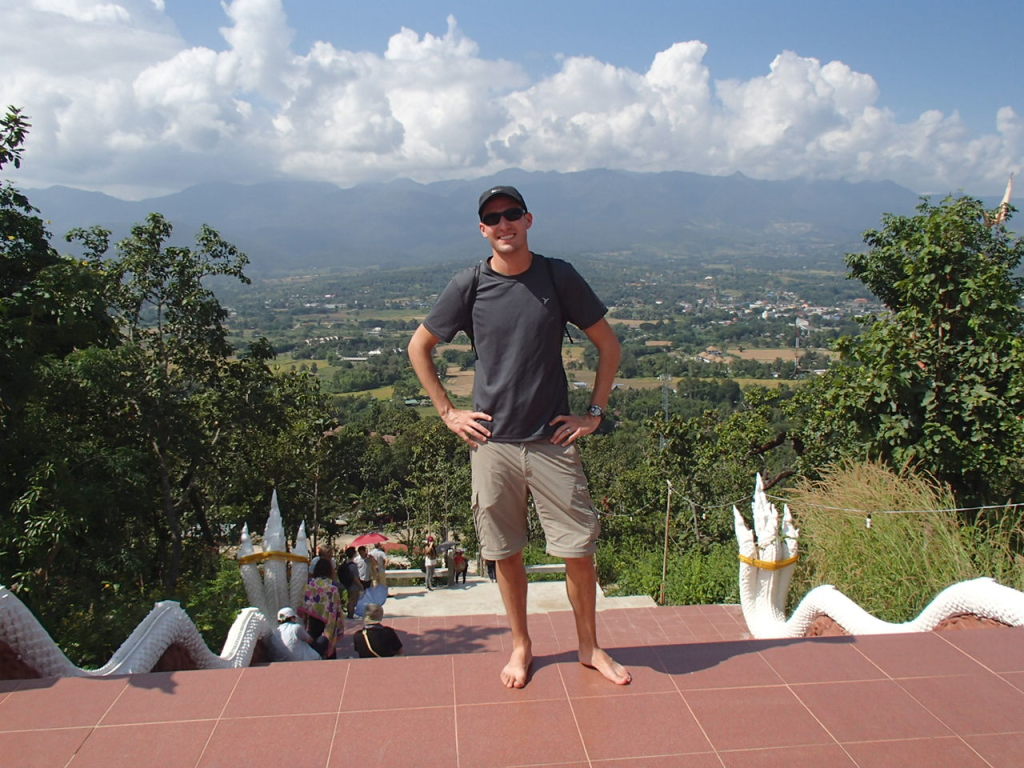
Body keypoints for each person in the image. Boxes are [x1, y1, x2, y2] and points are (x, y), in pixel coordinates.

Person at [407, 185, 631, 688]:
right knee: (505, 550)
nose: (503, 224)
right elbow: (419, 347)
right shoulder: (470, 284)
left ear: (529, 220)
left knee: (578, 549)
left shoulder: (558, 276)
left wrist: (593, 413)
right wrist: (448, 413)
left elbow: (608, 345)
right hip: (492, 443)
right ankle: (521, 646)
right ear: (482, 229)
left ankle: (590, 647)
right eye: (493, 218)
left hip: (552, 440)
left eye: (511, 215)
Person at [300, 558, 343, 658]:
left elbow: (303, 606)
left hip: (312, 623)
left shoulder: (309, 586)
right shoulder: (332, 588)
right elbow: (336, 610)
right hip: (328, 623)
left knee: (312, 651)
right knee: (328, 652)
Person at [342, 547, 363, 619]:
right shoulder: (353, 565)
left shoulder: (346, 563)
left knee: (350, 599)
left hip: (348, 585)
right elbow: (355, 578)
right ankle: (350, 615)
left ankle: (350, 614)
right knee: (353, 600)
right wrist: (360, 586)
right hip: (354, 586)